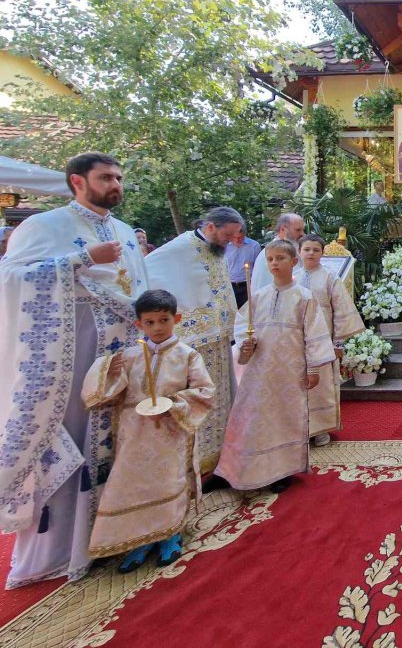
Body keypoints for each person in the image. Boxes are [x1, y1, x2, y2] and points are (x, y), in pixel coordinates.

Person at [0, 152, 149, 589]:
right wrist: (80, 259)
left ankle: (113, 534)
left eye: (119, 177)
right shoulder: (44, 226)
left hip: (121, 354)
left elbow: (136, 289)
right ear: (77, 181)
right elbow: (10, 280)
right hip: (69, 355)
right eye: (106, 177)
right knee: (74, 438)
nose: (115, 184)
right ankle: (60, 550)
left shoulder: (123, 230)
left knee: (118, 441)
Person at [80, 289, 214, 572]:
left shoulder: (187, 355)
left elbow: (204, 392)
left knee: (169, 481)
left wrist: (175, 404)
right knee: (134, 486)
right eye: (150, 322)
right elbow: (107, 393)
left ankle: (170, 535)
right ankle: (140, 539)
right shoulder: (129, 356)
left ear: (175, 319)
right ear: (139, 324)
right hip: (135, 433)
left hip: (170, 431)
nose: (158, 328)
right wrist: (109, 372)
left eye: (164, 320)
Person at [215, 240, 334, 493]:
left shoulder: (304, 297)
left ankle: (282, 470)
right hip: (259, 371)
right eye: (270, 259)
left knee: (284, 419)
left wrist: (313, 368)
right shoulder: (258, 296)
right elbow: (243, 331)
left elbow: (315, 334)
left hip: (289, 373)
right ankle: (231, 468)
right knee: (245, 418)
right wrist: (246, 347)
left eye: (280, 258)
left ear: (293, 262)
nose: (274, 263)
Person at [145, 207, 243, 473]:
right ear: (210, 226)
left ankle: (221, 458)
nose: (231, 240)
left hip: (220, 340)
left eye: (235, 235)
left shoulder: (216, 249)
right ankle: (195, 466)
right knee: (199, 402)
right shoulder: (178, 249)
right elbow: (145, 272)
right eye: (227, 234)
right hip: (196, 343)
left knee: (220, 401)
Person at [297, 235, 364, 447]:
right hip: (296, 341)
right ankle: (300, 428)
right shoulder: (292, 278)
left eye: (315, 250)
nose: (310, 253)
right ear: (299, 252)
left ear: (322, 253)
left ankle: (321, 429)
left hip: (323, 339)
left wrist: (338, 343)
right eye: (306, 249)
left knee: (323, 385)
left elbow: (343, 310)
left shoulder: (330, 278)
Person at [250, 213, 304, 291]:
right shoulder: (267, 255)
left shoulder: (293, 250)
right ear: (282, 230)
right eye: (298, 230)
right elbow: (261, 289)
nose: (302, 234)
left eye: (302, 230)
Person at [225, 226, 261, 308]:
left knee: (247, 313)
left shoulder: (254, 246)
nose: (237, 240)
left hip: (247, 286)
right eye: (234, 237)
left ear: (244, 234)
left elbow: (257, 268)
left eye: (240, 237)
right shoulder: (225, 247)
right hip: (230, 286)